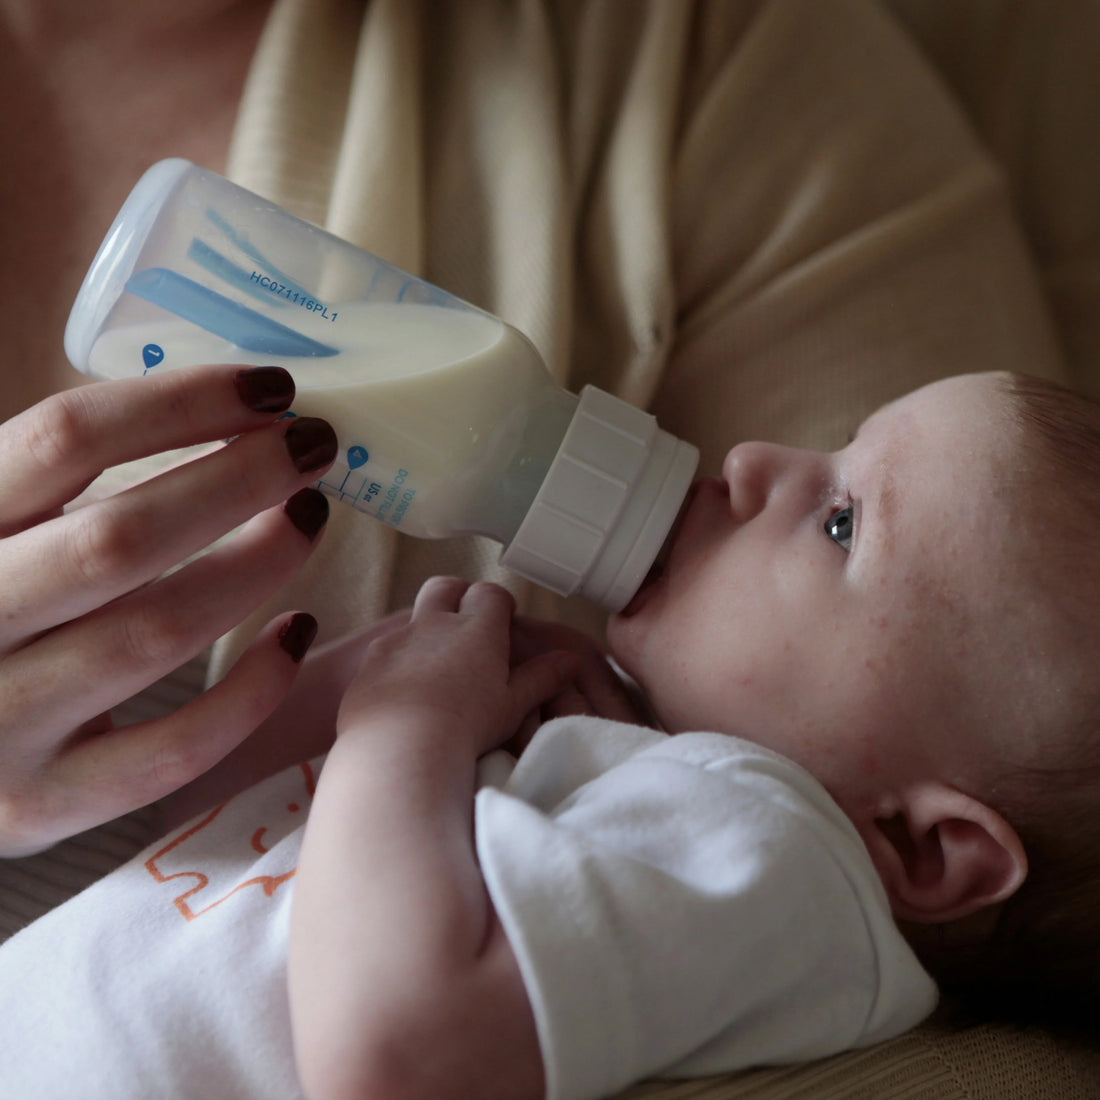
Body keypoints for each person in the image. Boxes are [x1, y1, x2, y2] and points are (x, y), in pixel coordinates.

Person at [0, 369, 1095, 1100]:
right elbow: (218, 848)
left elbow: (391, 1057)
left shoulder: (780, 856)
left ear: (917, 844)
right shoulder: (647, 772)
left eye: (840, 520)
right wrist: (372, 683)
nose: (757, 457)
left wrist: (408, 723)